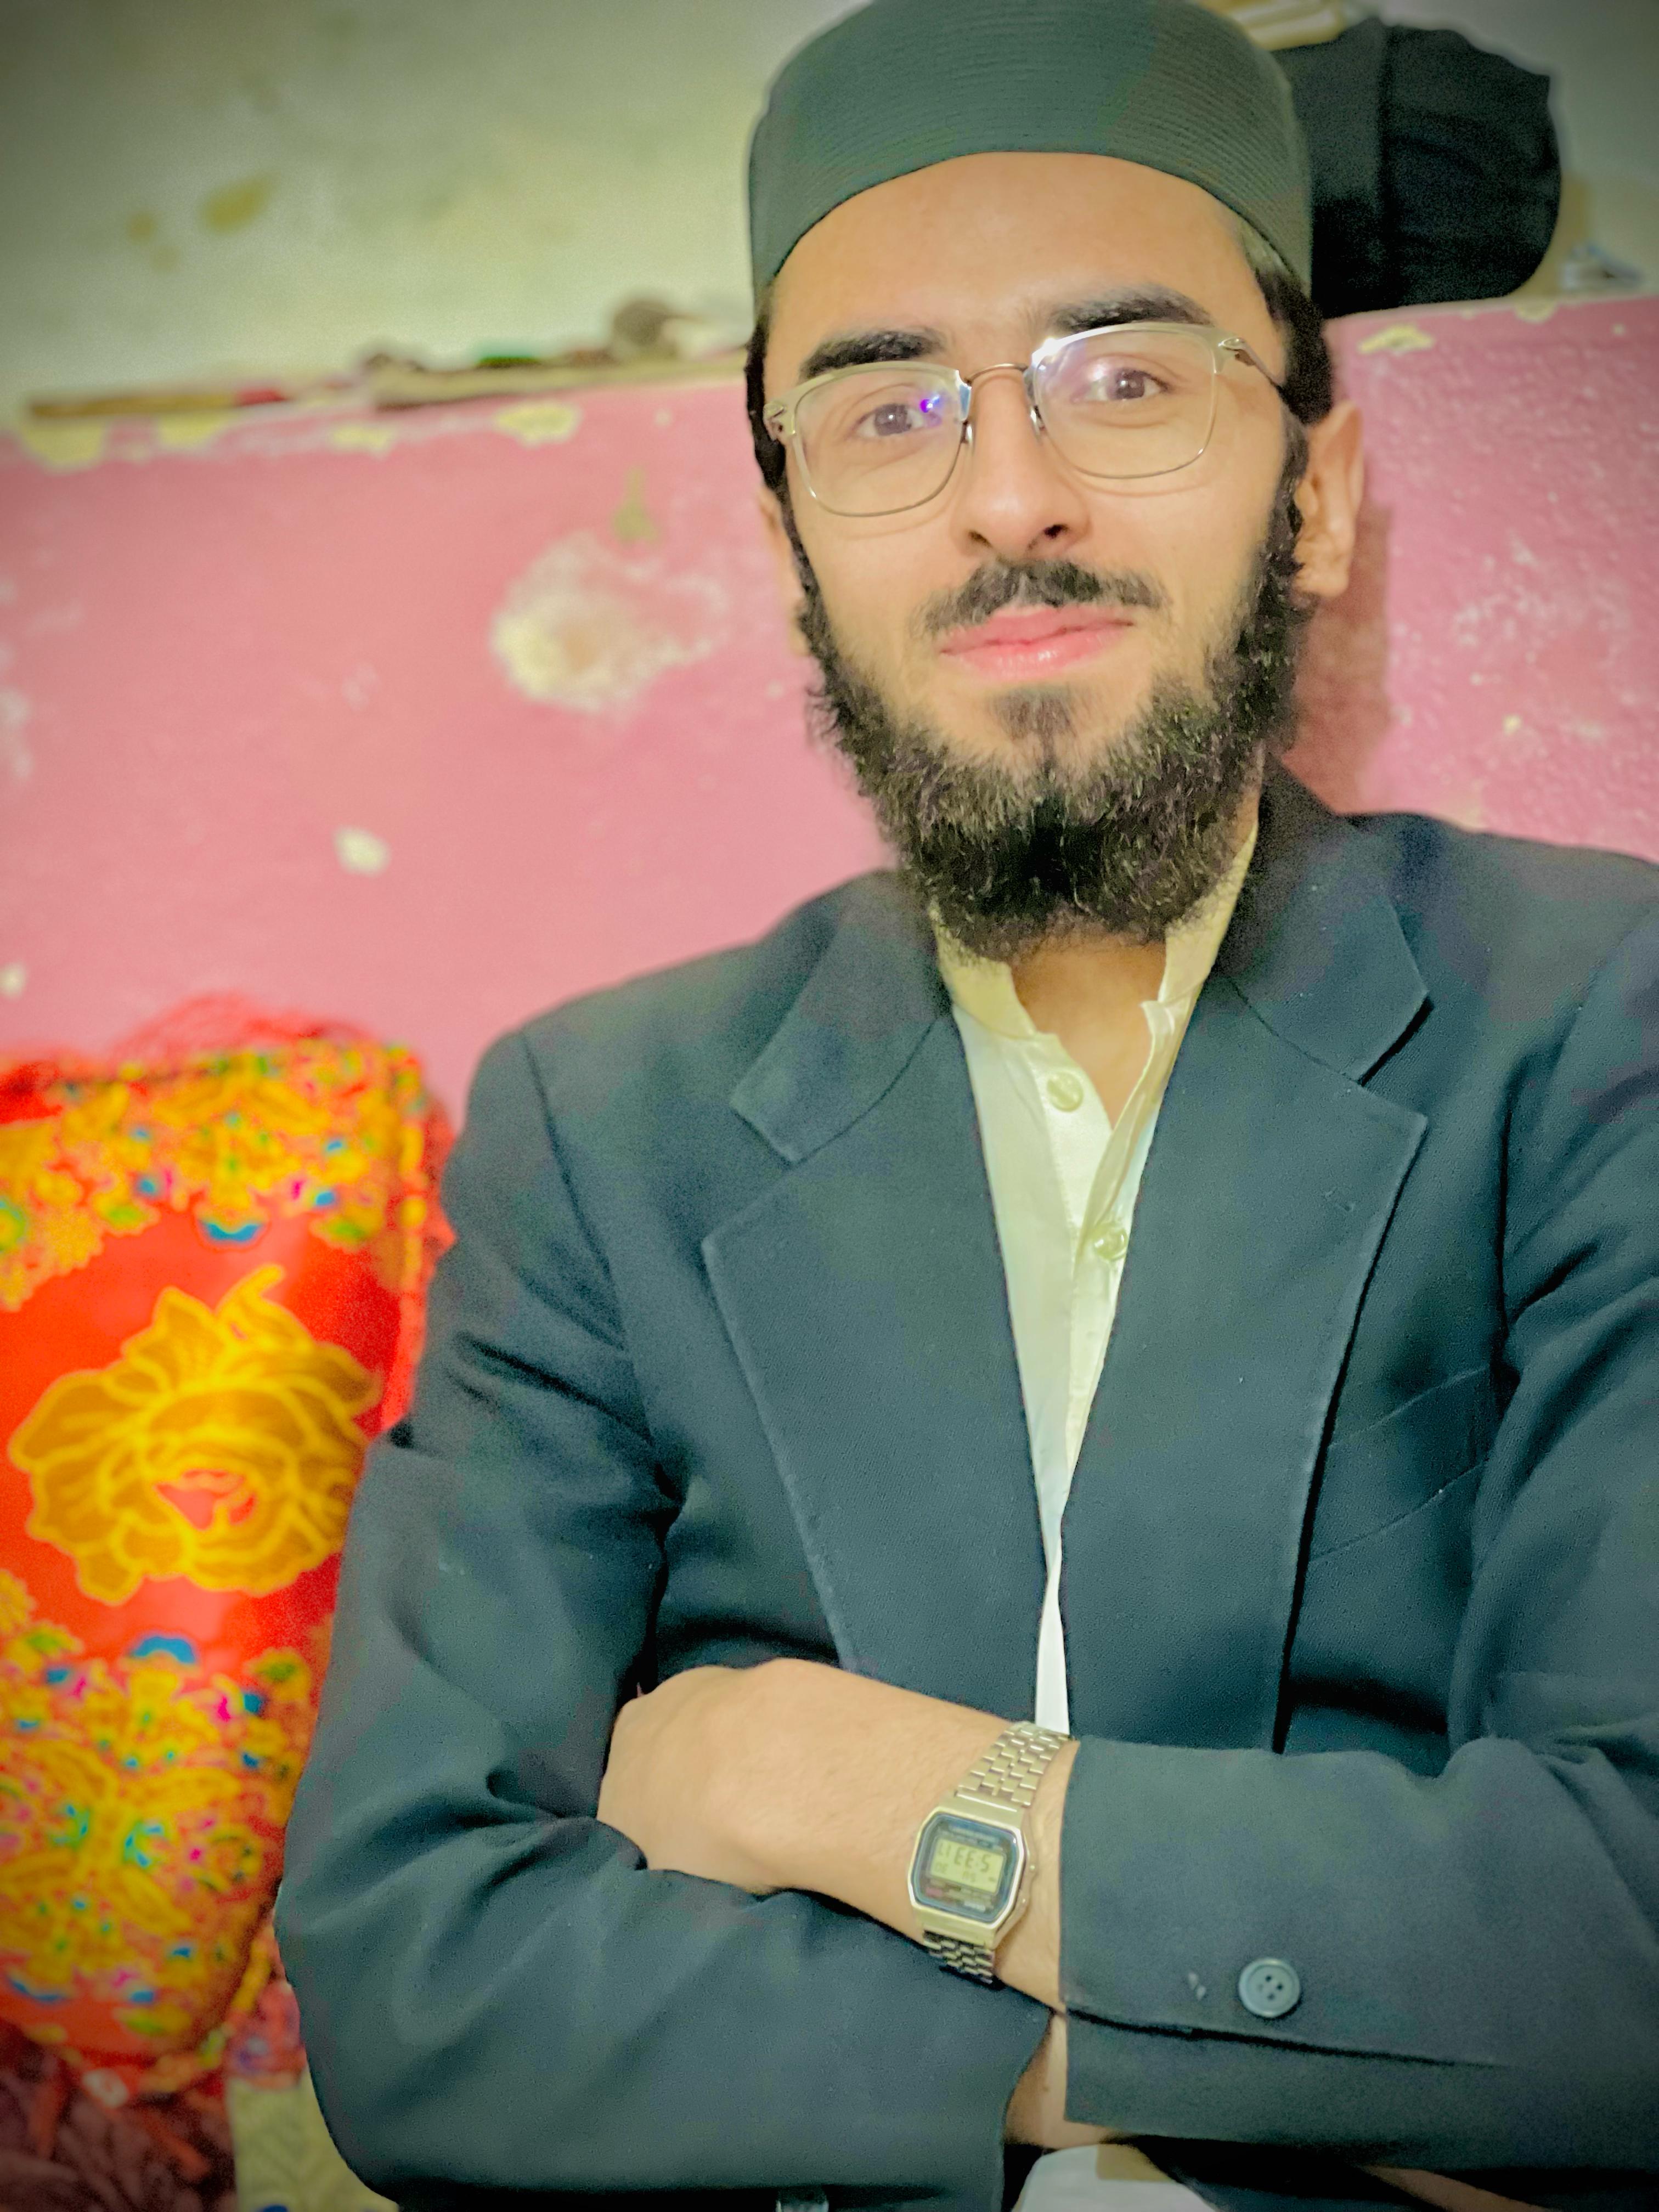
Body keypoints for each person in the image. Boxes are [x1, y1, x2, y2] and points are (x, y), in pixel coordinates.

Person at [273, 3, 1659, 2208]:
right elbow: (419, 1991)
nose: (1011, 498)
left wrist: (819, 1776)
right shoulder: (604, 1130)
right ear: (793, 548)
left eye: (1130, 380)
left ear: (1312, 496)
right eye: (888, 410)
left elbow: (1630, 1957)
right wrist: (1353, 2053)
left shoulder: (1597, 1021)